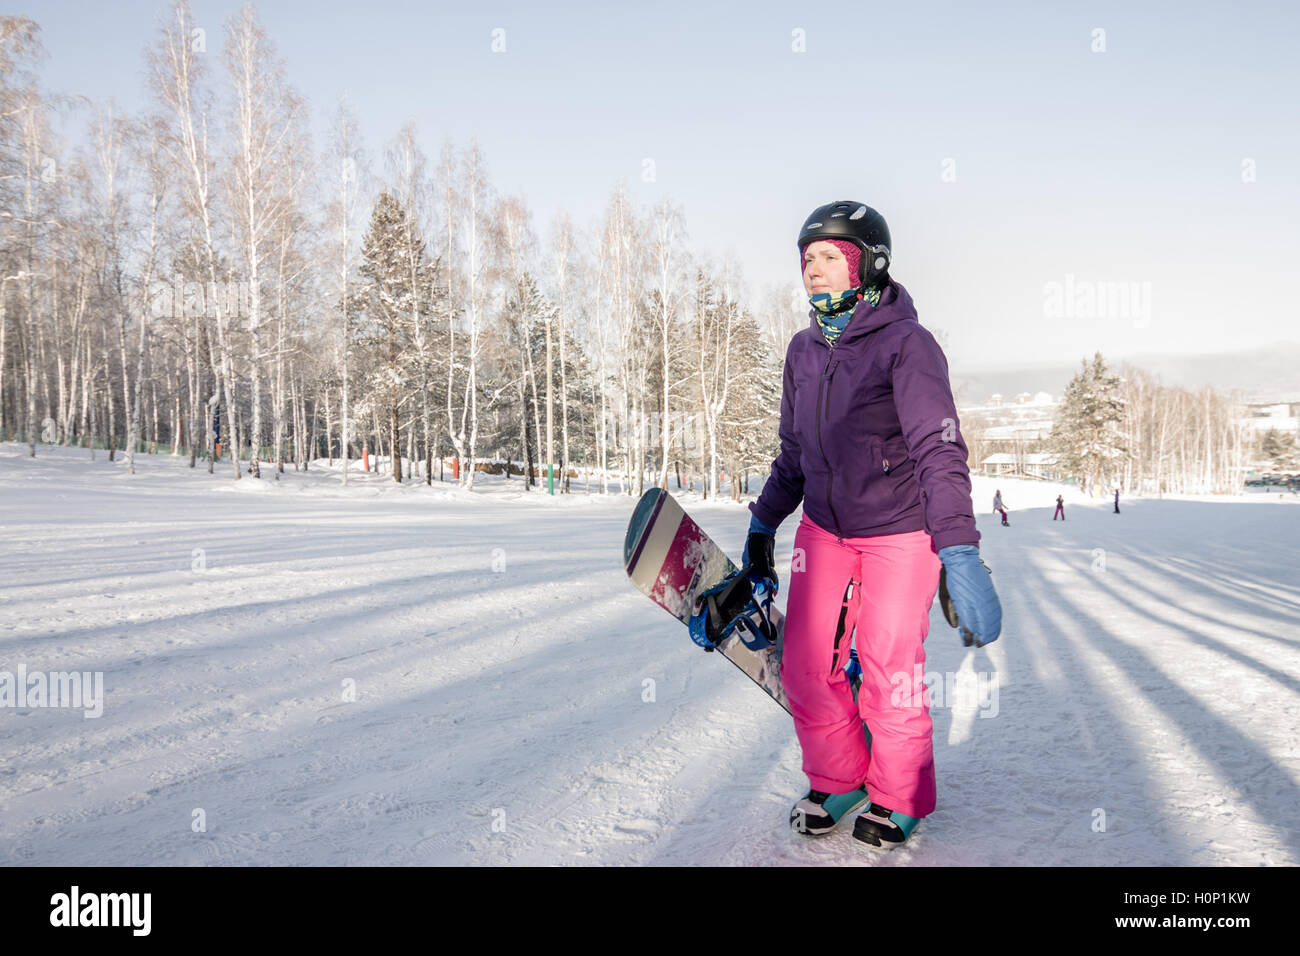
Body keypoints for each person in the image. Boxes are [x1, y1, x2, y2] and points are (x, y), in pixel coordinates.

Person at [741, 200, 1002, 850]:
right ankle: (840, 778)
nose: (815, 270)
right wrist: (761, 526)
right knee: (803, 664)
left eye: (831, 256)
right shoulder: (803, 352)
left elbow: (938, 451)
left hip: (900, 530)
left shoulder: (907, 345)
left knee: (890, 665)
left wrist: (960, 552)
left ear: (869, 262)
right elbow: (795, 456)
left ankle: (900, 794)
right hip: (826, 530)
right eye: (808, 259)